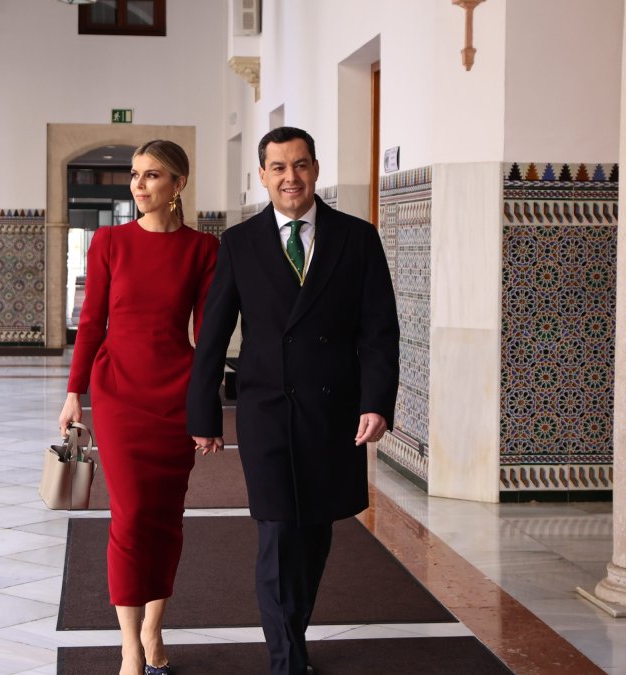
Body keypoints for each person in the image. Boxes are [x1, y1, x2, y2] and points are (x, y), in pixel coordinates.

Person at [186, 127, 399, 675]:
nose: (290, 178)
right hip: (266, 410)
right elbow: (213, 334)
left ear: (316, 169)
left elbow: (379, 329)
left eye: (300, 165)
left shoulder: (358, 238)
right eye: (278, 167)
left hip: (335, 413)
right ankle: (286, 660)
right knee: (278, 533)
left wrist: (377, 401)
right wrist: (204, 415)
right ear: (262, 175)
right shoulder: (239, 242)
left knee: (315, 534)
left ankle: (292, 635)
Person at [59, 139, 218, 675]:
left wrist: (205, 407)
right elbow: (91, 322)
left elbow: (210, 336)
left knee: (166, 519)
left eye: (152, 175)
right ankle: (129, 646)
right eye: (135, 174)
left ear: (178, 186)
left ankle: (154, 628)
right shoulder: (108, 242)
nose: (139, 184)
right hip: (119, 393)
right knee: (128, 518)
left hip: (176, 392)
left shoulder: (203, 250)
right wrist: (73, 392)